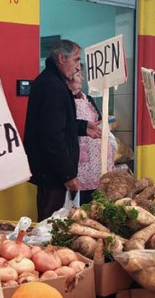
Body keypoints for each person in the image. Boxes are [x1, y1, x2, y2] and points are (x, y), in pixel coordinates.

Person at [23, 39, 101, 221]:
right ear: (61, 58)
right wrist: (68, 174)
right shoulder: (53, 86)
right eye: (75, 60)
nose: (78, 67)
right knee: (50, 225)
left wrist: (83, 126)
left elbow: (58, 123)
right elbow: (52, 136)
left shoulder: (52, 82)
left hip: (51, 171)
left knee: (54, 222)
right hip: (52, 173)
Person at [67, 70, 117, 204]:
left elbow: (99, 121)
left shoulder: (87, 98)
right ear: (68, 80)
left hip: (97, 158)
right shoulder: (64, 100)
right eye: (78, 75)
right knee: (79, 201)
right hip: (79, 159)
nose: (82, 79)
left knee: (99, 197)